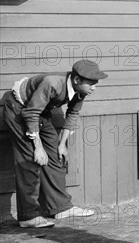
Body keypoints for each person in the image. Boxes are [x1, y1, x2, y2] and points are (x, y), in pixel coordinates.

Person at [3, 59, 107, 228]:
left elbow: (72, 114)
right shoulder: (53, 84)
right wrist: (38, 148)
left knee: (55, 156)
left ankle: (60, 207)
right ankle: (28, 216)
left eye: (96, 84)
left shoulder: (81, 91)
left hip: (39, 112)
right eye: (91, 84)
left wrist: (62, 144)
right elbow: (30, 113)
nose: (94, 87)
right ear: (76, 80)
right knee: (29, 160)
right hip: (19, 109)